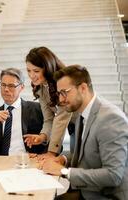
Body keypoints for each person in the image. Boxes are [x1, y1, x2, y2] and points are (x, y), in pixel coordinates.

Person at [43, 65, 128, 200]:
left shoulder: (110, 118)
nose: (61, 100)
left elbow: (113, 175)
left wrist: (64, 172)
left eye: (64, 92)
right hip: (87, 192)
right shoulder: (83, 114)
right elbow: (86, 154)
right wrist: (63, 159)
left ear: (83, 88)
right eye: (59, 94)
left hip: (106, 196)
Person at [0, 68, 46, 155]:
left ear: (21, 87)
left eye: (11, 86)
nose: (6, 89)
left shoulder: (38, 109)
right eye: (3, 85)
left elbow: (51, 140)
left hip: (28, 162)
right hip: (1, 164)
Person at [25, 47, 77, 156]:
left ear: (47, 68)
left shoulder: (63, 82)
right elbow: (49, 118)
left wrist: (51, 153)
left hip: (85, 126)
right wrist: (42, 136)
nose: (31, 75)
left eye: (36, 71)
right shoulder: (41, 87)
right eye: (28, 70)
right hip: (73, 129)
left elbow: (61, 118)